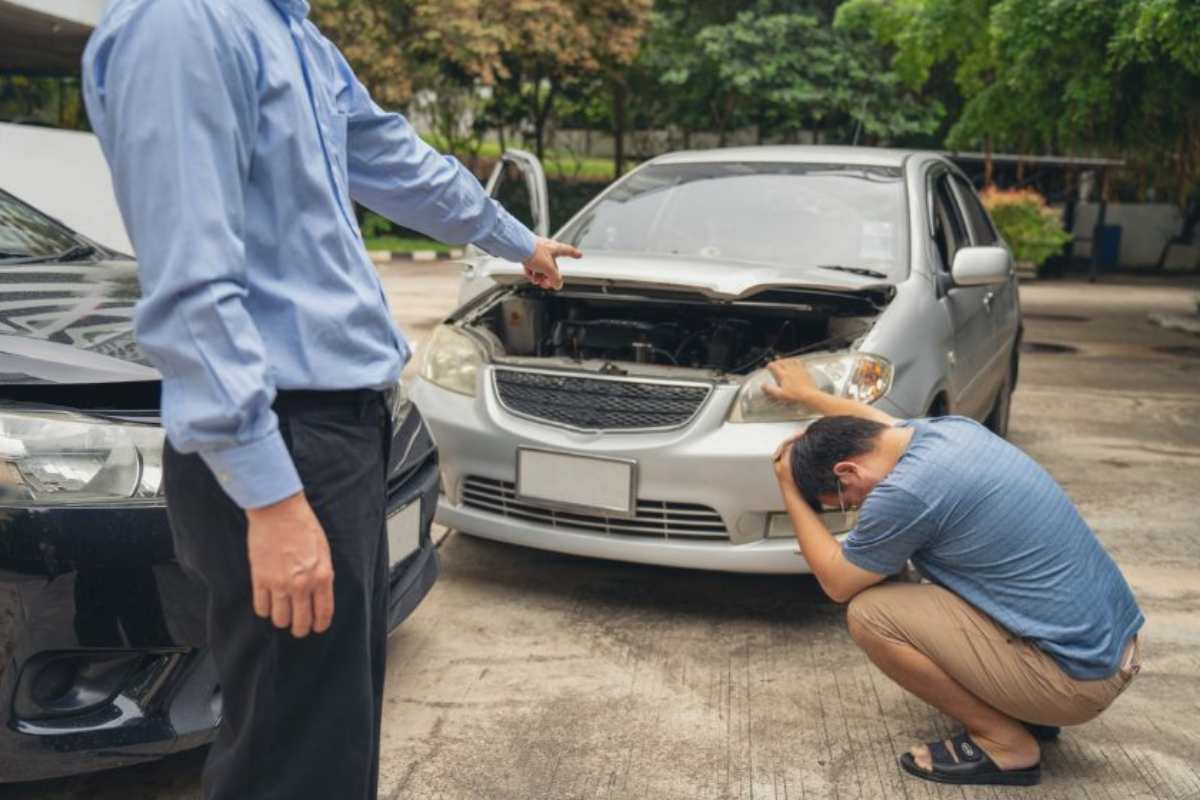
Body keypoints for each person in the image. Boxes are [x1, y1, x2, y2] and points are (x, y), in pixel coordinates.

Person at [81, 2, 580, 798]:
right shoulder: (183, 23)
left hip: (337, 432)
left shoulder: (289, 31)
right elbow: (191, 290)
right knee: (290, 759)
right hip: (281, 439)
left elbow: (391, 158)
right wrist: (272, 499)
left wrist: (513, 239)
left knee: (327, 736)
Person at [763, 358, 1143, 787]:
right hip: (1110, 650)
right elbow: (877, 421)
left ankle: (1006, 744)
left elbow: (835, 582)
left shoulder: (905, 492)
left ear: (847, 471)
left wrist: (786, 483)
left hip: (1075, 683)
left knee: (870, 612)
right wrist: (808, 396)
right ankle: (1023, 705)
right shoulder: (947, 432)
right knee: (918, 579)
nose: (858, 509)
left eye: (846, 501)